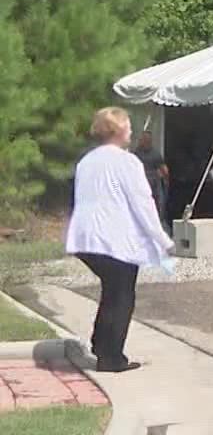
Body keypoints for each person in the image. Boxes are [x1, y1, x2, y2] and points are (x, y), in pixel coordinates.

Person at [65, 108, 175, 373]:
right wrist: (162, 238)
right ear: (117, 131)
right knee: (123, 295)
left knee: (112, 290)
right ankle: (111, 357)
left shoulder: (87, 161)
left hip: (85, 237)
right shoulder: (127, 162)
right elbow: (142, 203)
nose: (132, 132)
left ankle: (101, 344)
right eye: (128, 126)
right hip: (113, 239)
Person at [133, 131, 170, 231]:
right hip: (139, 186)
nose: (145, 141)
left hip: (154, 186)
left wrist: (165, 181)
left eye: (147, 140)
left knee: (156, 209)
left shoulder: (155, 154)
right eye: (143, 139)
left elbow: (164, 170)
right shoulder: (135, 154)